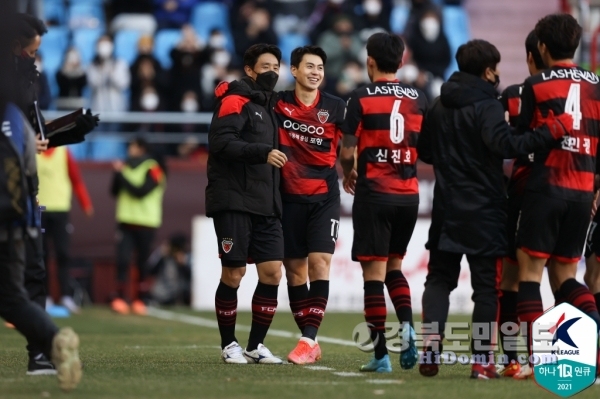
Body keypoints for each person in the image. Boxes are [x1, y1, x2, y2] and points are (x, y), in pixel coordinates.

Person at [416, 38, 571, 380]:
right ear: (488, 70)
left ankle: (430, 345)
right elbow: (505, 145)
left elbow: (424, 152)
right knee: (486, 289)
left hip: (445, 206)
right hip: (485, 208)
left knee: (439, 280)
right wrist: (549, 132)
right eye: (496, 69)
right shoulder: (487, 105)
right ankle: (482, 360)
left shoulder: (439, 103)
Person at [9, 12, 97, 376]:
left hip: (22, 190)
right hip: (8, 185)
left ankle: (41, 351)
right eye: (30, 52)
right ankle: (49, 341)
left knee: (33, 271)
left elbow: (36, 132)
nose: (35, 59)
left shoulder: (28, 82)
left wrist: (72, 132)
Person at [514, 13, 600, 379]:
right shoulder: (597, 85)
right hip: (583, 193)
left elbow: (524, 142)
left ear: (543, 47)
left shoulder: (535, 85)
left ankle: (540, 361)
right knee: (567, 276)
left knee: (529, 274)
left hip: (545, 187)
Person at [339, 32, 428, 373]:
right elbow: (427, 146)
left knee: (373, 276)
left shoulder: (360, 98)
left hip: (374, 192)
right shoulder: (419, 98)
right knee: (395, 267)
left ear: (370, 61)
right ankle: (406, 326)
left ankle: (381, 357)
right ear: (402, 61)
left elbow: (347, 151)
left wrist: (349, 172)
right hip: (408, 196)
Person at [206, 43, 286, 364]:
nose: (273, 72)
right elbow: (221, 143)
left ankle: (255, 345)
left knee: (271, 273)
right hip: (234, 199)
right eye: (266, 66)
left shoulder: (268, 106)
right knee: (234, 273)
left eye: (276, 67)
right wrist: (261, 152)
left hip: (265, 203)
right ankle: (229, 345)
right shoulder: (234, 101)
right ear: (250, 70)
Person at [272, 46, 346, 364]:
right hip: (287, 197)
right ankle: (310, 342)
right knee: (294, 272)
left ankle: (307, 339)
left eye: (320, 67)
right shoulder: (277, 104)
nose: (316, 72)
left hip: (324, 196)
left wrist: (354, 168)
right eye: (309, 66)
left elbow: (352, 145)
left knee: (319, 264)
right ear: (294, 70)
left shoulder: (335, 107)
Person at [496, 30, 546, 378]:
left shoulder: (514, 95)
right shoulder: (589, 91)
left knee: (513, 279)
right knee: (567, 279)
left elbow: (497, 145)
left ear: (532, 56)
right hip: (577, 190)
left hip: (526, 191)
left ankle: (519, 358)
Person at [110, 137, 166, 316]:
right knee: (123, 259)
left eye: (133, 146)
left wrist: (121, 174)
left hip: (146, 222)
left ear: (141, 148)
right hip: (126, 220)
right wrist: (117, 175)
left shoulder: (153, 168)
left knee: (142, 262)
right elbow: (114, 191)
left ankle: (140, 299)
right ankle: (120, 298)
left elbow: (140, 191)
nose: (129, 150)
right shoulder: (125, 166)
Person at [36, 146, 94, 314]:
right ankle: (44, 297)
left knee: (63, 254)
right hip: (41, 209)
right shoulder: (33, 151)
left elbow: (76, 179)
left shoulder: (63, 152)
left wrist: (85, 203)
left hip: (61, 210)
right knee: (42, 255)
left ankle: (65, 296)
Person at [147, 233, 192, 306]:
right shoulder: (161, 255)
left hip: (179, 296)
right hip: (161, 294)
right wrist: (161, 256)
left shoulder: (187, 257)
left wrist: (184, 265)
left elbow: (193, 278)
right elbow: (150, 271)